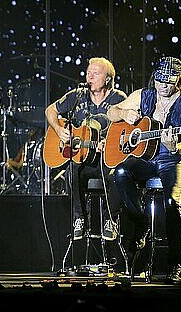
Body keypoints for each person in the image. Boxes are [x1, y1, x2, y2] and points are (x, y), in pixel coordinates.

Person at [107, 56, 181, 284]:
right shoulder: (143, 95)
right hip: (147, 159)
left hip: (173, 159)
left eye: (168, 82)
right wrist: (123, 114)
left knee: (171, 202)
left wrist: (174, 145)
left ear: (178, 81)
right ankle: (141, 222)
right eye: (159, 81)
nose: (162, 86)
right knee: (120, 172)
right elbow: (111, 112)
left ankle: (177, 262)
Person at [45, 57, 127, 243]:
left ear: (107, 79)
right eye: (88, 72)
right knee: (73, 170)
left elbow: (128, 128)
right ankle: (79, 219)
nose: (89, 77)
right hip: (83, 157)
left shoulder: (119, 99)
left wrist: (110, 143)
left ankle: (110, 220)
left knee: (116, 172)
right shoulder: (77, 96)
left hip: (107, 159)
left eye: (95, 74)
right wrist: (59, 130)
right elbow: (50, 110)